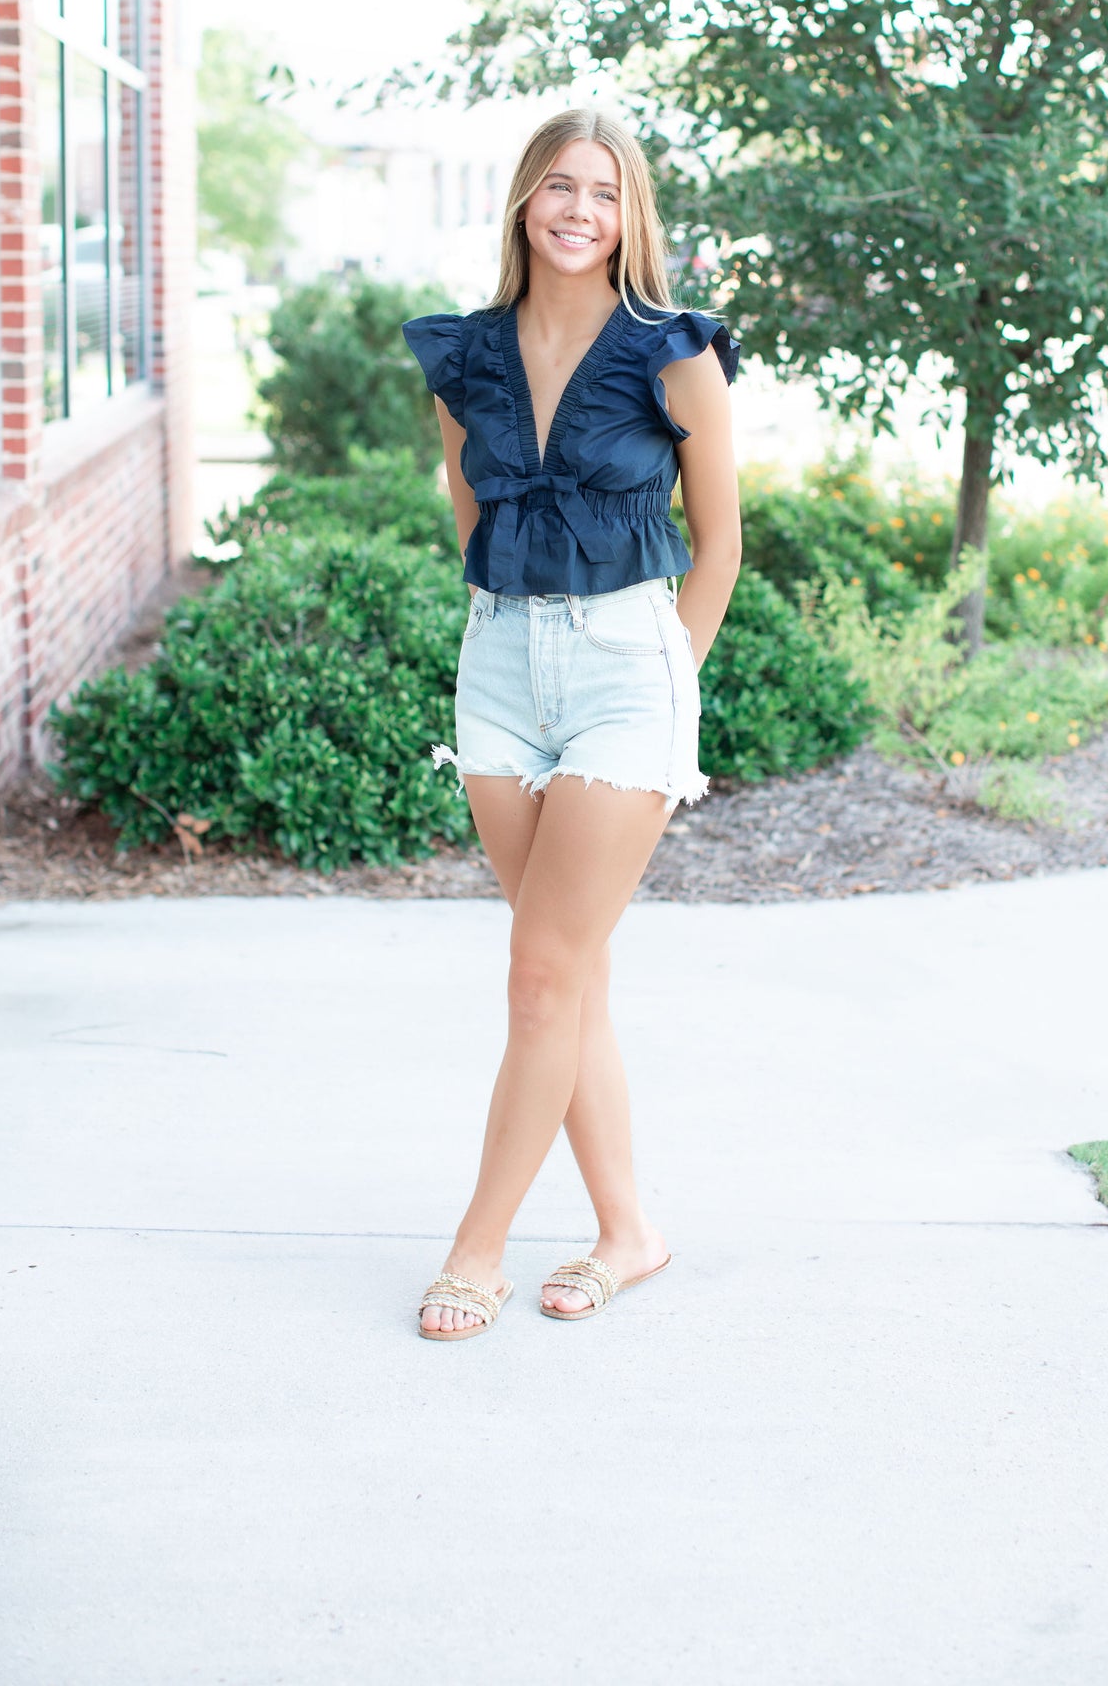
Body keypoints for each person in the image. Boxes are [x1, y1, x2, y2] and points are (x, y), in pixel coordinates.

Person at [402, 108, 741, 1339]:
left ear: (627, 213)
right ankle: (629, 1233)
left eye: (601, 190)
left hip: (626, 669)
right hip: (498, 666)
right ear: (522, 202)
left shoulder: (669, 350)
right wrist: (513, 628)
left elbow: (721, 544)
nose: (578, 208)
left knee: (537, 974)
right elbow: (468, 510)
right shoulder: (465, 355)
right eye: (557, 185)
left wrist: (666, 686)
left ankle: (475, 1249)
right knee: (571, 976)